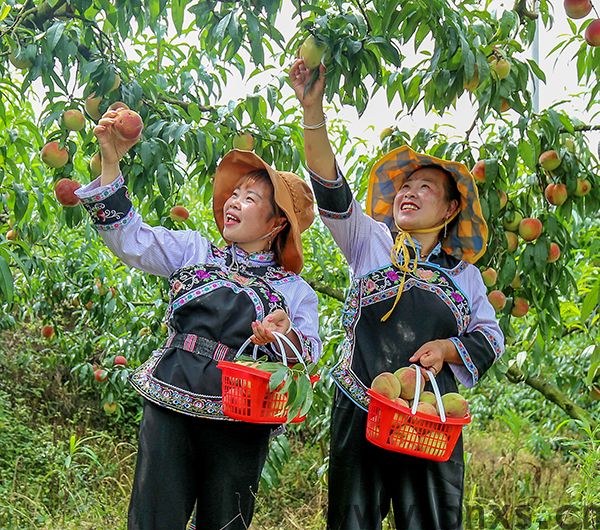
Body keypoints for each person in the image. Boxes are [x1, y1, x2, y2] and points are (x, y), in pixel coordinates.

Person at [74, 108, 322, 530]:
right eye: (234, 194)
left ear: (277, 222)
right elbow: (130, 238)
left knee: (226, 521)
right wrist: (111, 159)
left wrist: (283, 337)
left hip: (240, 416)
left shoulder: (295, 291)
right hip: (172, 395)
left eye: (250, 198)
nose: (233, 202)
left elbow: (308, 352)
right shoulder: (194, 251)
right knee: (154, 518)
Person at [290, 59, 505, 530]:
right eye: (405, 186)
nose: (409, 192)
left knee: (430, 521)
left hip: (429, 419)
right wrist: (313, 110)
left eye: (425, 187)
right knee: (352, 521)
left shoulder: (464, 276)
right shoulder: (370, 241)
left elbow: (491, 337)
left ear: (450, 210)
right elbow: (331, 190)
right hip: (361, 406)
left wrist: (451, 348)